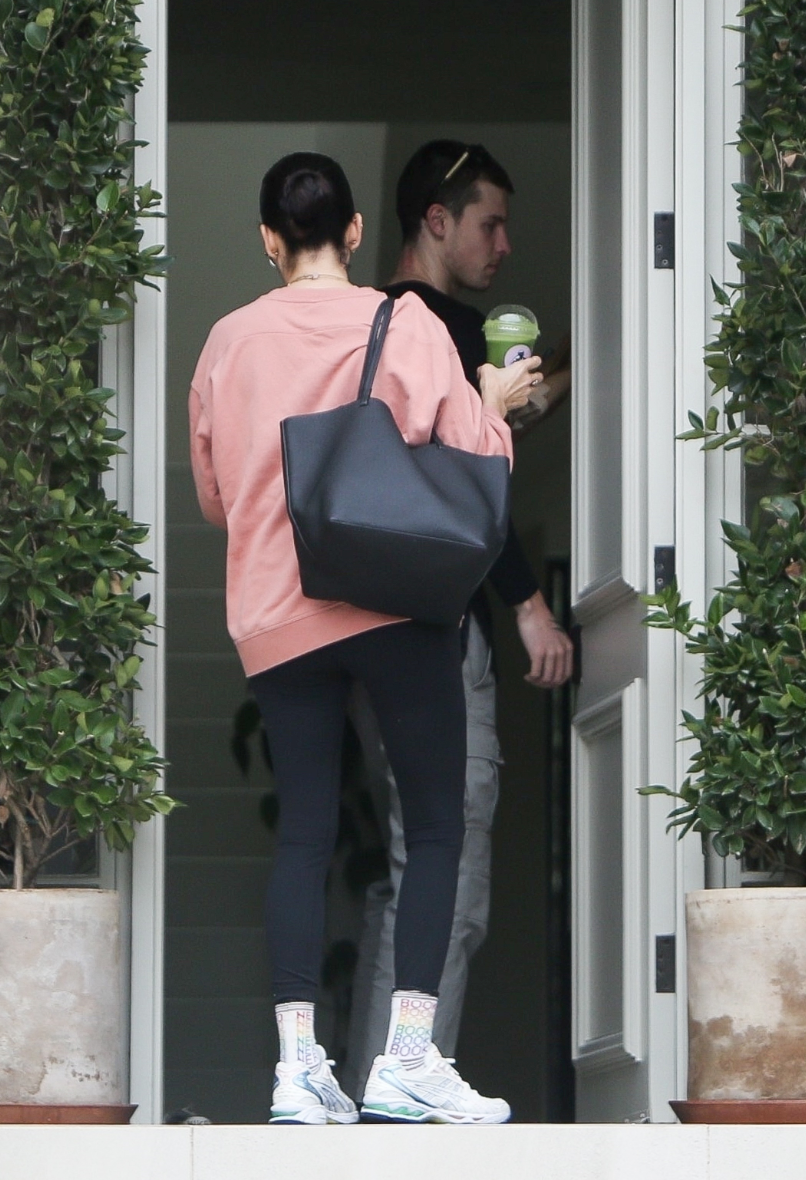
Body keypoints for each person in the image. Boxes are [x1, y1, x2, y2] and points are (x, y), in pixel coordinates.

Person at [188, 152, 543, 1125]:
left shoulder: (226, 342)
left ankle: (296, 1068)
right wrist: (496, 403)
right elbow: (471, 455)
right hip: (393, 602)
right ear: (353, 233)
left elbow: (215, 497)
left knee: (303, 831)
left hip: (279, 610)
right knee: (433, 826)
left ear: (268, 240)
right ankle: (408, 1057)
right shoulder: (408, 323)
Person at [343, 141, 574, 1101]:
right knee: (453, 879)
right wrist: (529, 605)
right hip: (435, 632)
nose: (504, 245)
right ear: (436, 221)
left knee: (407, 872)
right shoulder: (448, 332)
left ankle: (373, 1099)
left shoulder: (363, 329)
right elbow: (472, 486)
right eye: (490, 223)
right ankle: (404, 1100)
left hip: (357, 630)